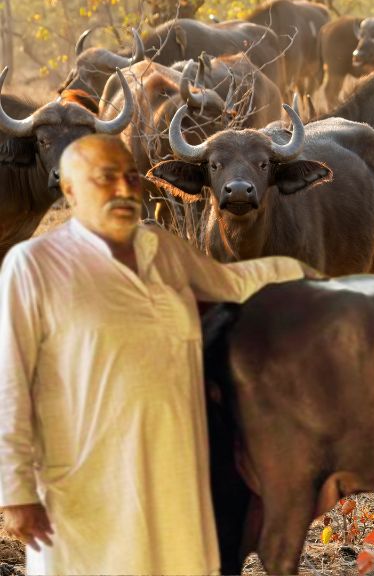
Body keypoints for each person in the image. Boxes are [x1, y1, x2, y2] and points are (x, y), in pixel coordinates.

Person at [0, 134, 320, 575]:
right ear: (69, 191)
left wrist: (316, 280)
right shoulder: (33, 264)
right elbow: (10, 384)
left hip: (173, 466)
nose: (122, 189)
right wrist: (14, 492)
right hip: (82, 475)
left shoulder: (160, 248)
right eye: (103, 179)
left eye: (130, 177)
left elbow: (233, 284)